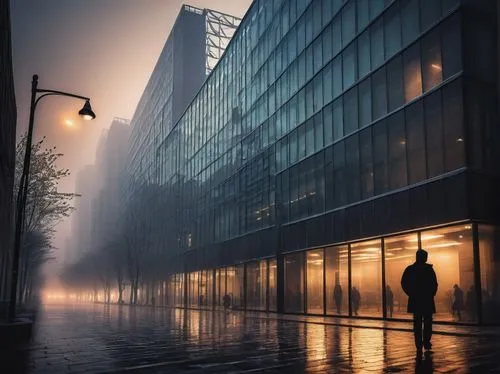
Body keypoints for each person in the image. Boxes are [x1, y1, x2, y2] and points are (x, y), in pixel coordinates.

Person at [401, 249, 438, 356]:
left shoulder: (410, 269)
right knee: (427, 322)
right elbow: (434, 283)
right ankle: (426, 341)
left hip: (416, 300)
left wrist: (411, 293)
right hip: (427, 300)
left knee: (417, 323)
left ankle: (418, 343)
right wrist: (432, 293)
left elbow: (404, 283)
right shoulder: (429, 270)